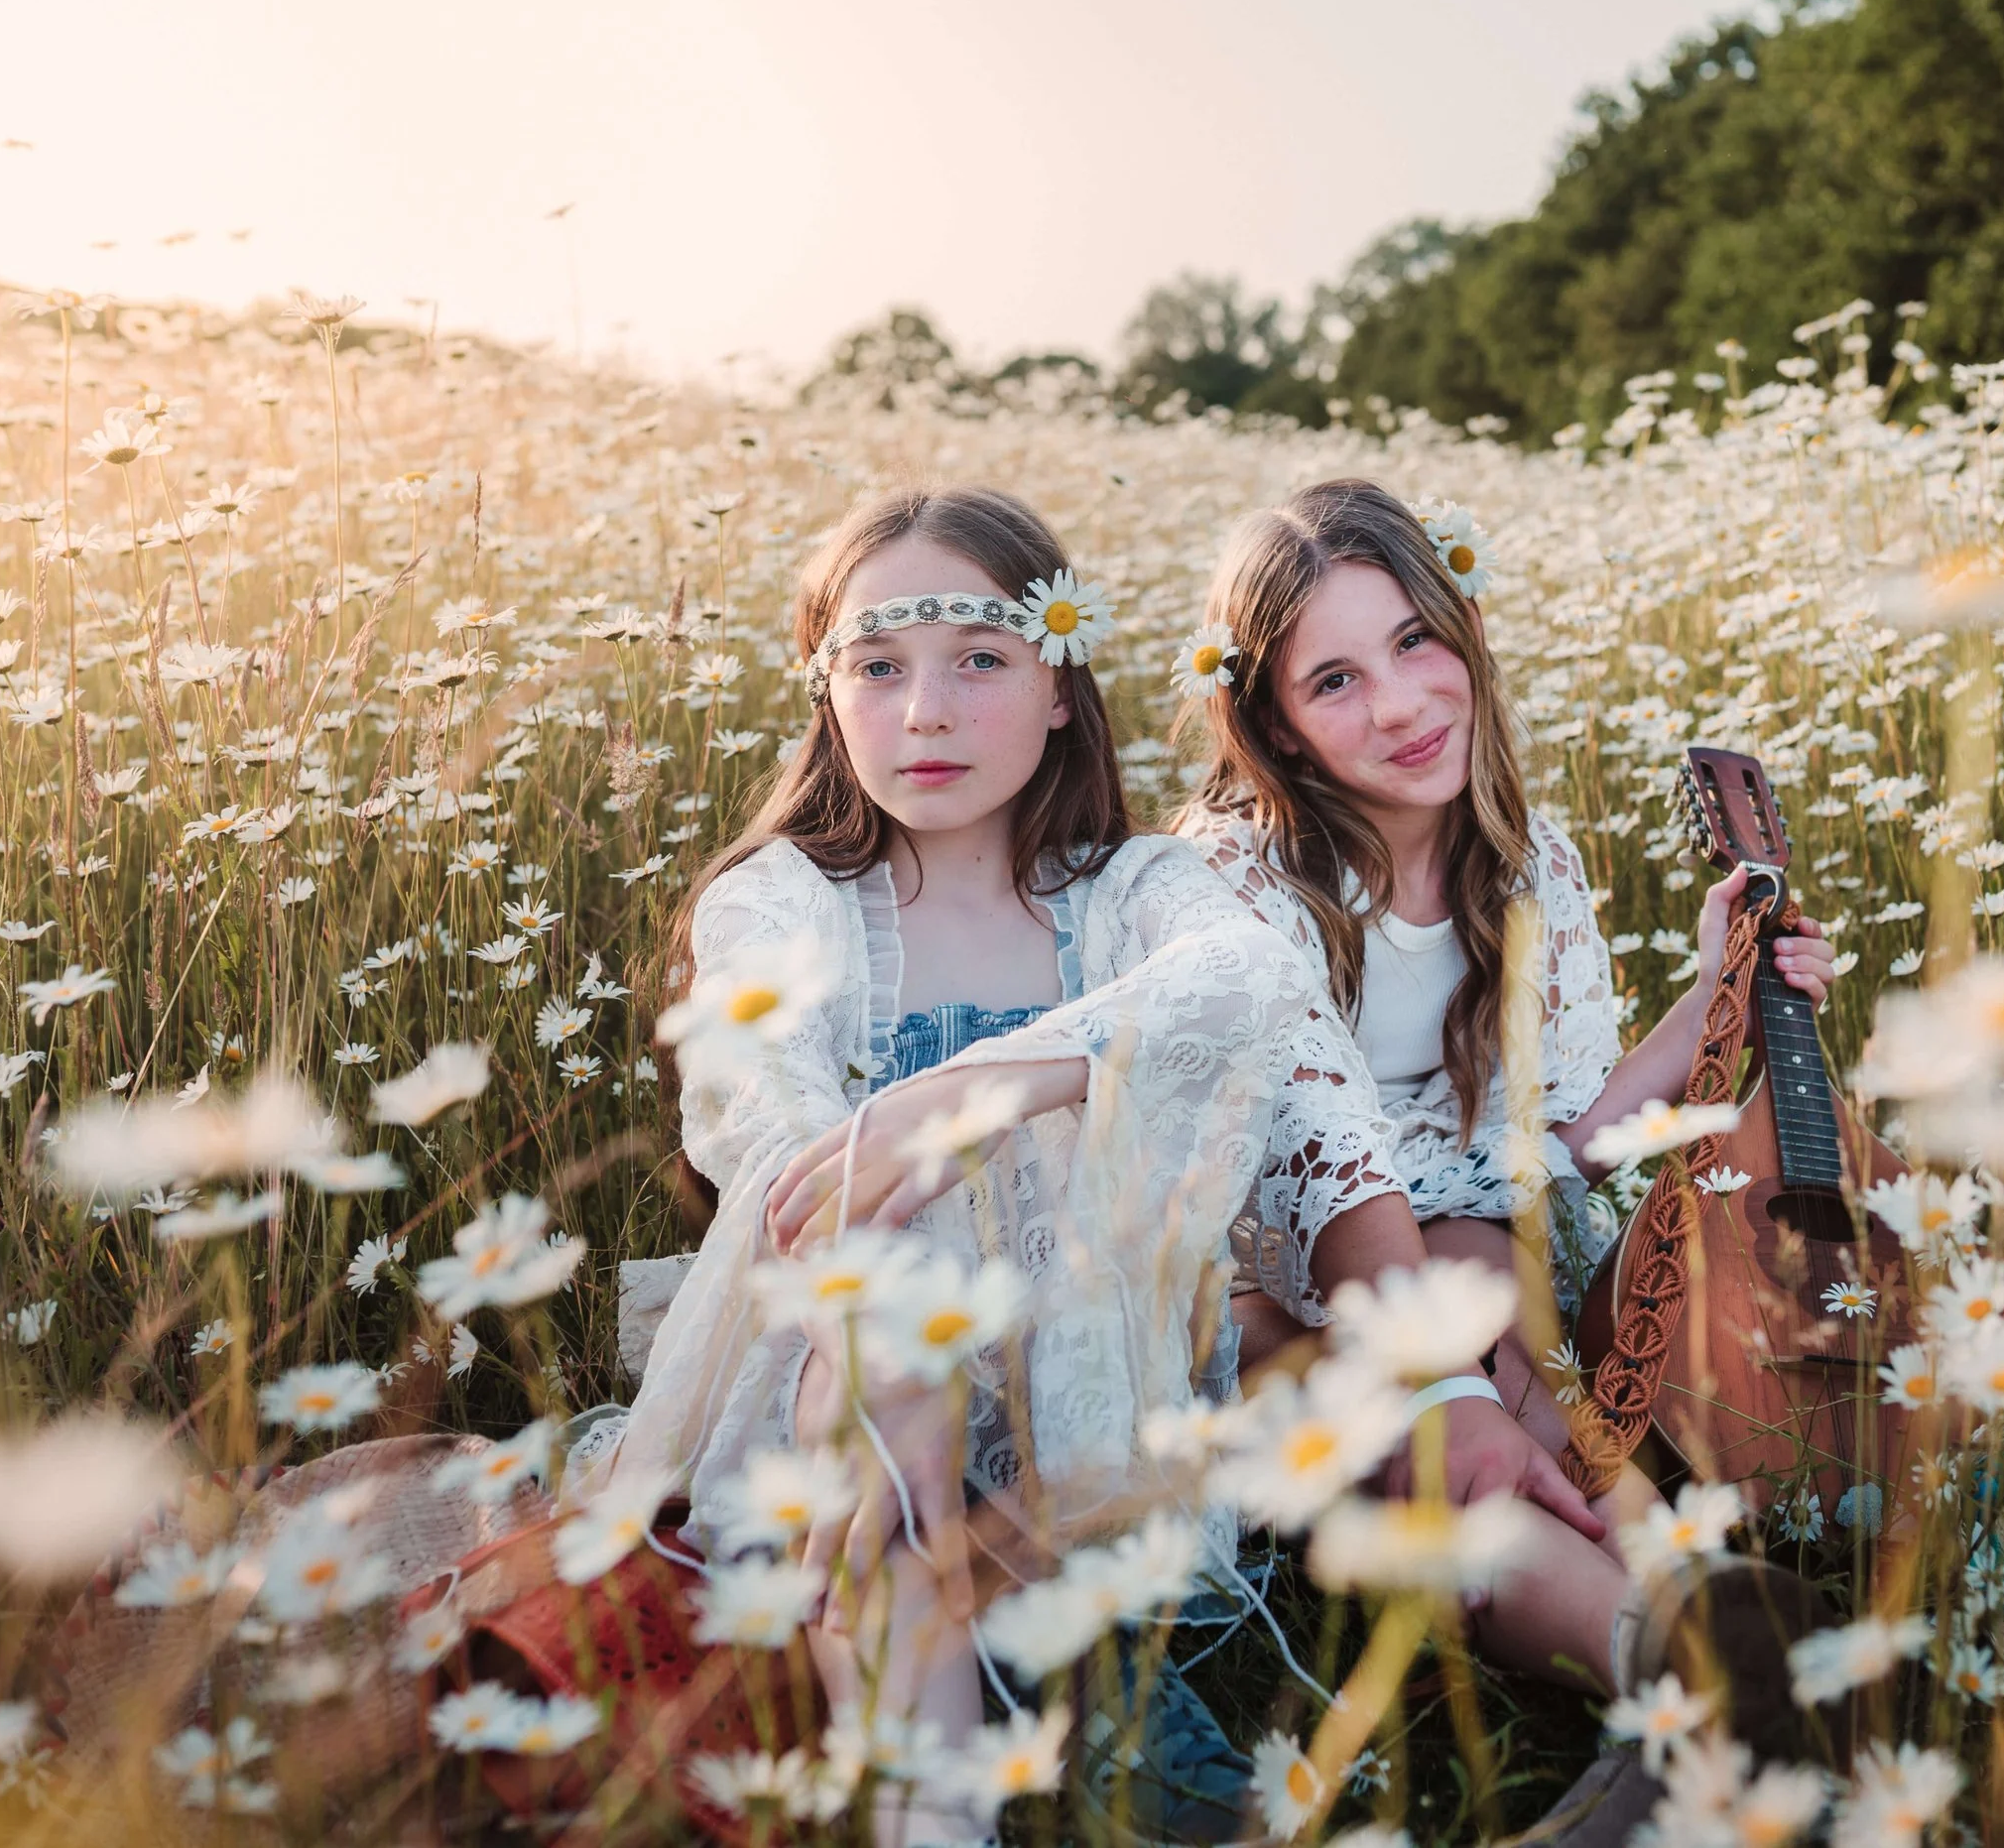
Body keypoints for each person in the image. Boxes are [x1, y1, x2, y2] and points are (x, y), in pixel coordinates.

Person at [580, 485, 1591, 1843]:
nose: (926, 711)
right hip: (859, 1377)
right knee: (879, 1496)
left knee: (1165, 1711)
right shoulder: (779, 901)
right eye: (878, 667)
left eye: (980, 661)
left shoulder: (1130, 892)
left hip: (1087, 1420)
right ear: (826, 695)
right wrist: (892, 1338)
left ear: (1061, 687)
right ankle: (931, 1803)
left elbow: (1243, 980)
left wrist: (996, 1077)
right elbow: (766, 1125)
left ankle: (1646, 1657)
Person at [1173, 477, 1846, 1761]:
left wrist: (1717, 994)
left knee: (1540, 1392)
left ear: (1461, 629)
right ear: (1273, 722)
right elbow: (1293, 1178)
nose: (1399, 705)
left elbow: (1562, 1143)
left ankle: (1722, 1643)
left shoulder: (1525, 862)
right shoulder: (1231, 882)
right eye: (1334, 681)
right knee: (1426, 1426)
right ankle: (1690, 1681)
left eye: (1415, 642)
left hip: (1458, 1241)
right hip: (1268, 1266)